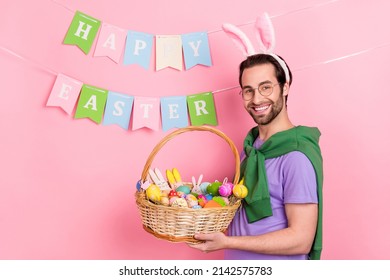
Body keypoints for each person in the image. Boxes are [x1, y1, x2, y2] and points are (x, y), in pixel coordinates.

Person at [188, 53, 323, 260]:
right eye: (248, 91)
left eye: (266, 87)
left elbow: (301, 239)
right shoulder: (251, 150)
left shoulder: (296, 156)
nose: (257, 99)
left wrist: (227, 242)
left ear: (285, 87)